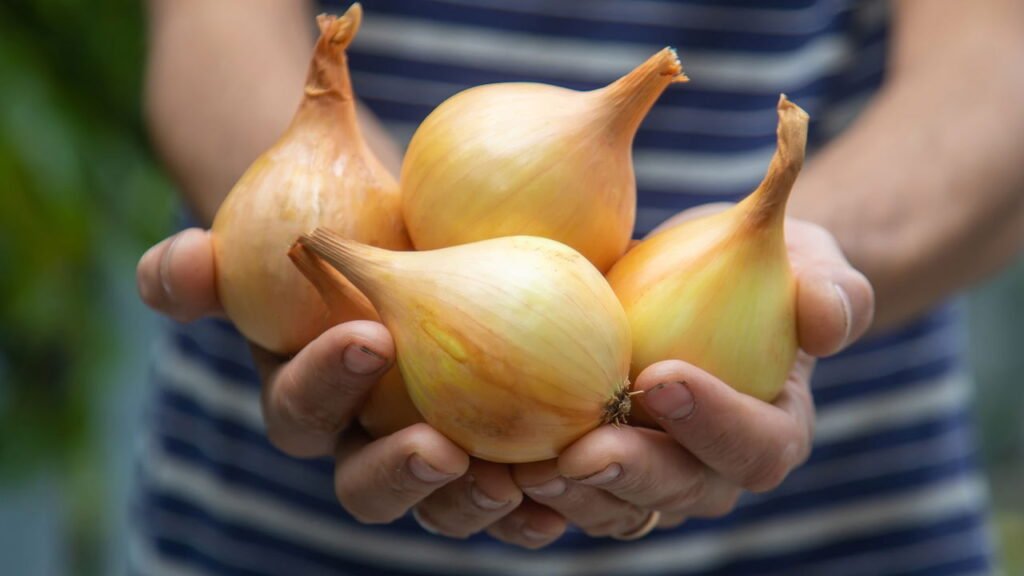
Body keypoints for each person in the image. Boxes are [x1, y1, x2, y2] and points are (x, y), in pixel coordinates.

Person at [134, 0, 1024, 574]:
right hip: (280, 526)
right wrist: (317, 261)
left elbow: (999, 61)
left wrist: (797, 258)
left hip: (836, 526)